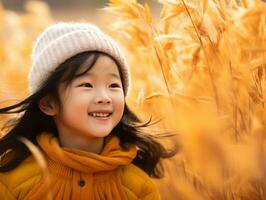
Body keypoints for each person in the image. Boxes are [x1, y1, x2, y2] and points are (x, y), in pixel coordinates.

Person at [0, 22, 176, 200]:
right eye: (87, 85)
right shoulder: (12, 180)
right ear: (49, 103)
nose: (104, 97)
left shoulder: (137, 186)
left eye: (113, 85)